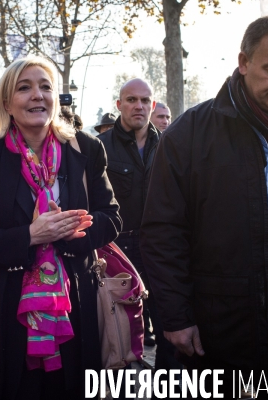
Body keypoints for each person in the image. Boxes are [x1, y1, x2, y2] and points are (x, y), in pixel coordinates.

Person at [141, 15, 268, 399]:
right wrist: (176, 317)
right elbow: (163, 233)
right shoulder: (189, 134)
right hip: (222, 330)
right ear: (244, 61)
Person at [0, 56, 121, 399]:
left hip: (74, 308)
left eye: (46, 87)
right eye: (24, 88)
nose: (37, 96)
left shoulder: (86, 149)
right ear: (7, 102)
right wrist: (30, 236)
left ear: (57, 99)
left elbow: (112, 219)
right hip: (2, 313)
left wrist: (73, 233)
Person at [97, 79, 179, 386]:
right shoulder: (99, 147)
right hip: (118, 249)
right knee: (117, 332)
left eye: (145, 100)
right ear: (119, 105)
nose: (139, 106)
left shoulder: (171, 146)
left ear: (154, 105)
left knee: (170, 326)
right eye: (131, 99)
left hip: (161, 248)